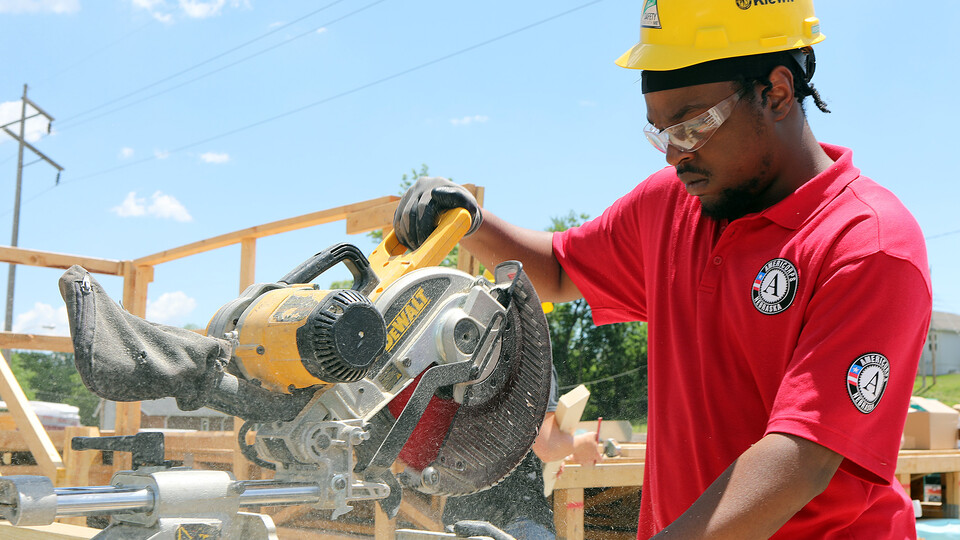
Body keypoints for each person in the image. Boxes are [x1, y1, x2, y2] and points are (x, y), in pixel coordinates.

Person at [392, 1, 932, 538]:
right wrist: (471, 219)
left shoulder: (867, 246)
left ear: (777, 92)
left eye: (693, 126)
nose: (674, 155)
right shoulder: (674, 205)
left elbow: (801, 458)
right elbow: (559, 270)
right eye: (659, 132)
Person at [441, 367, 603, 540]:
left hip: (459, 517)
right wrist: (581, 444)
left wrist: (541, 463)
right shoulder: (534, 354)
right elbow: (547, 445)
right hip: (516, 517)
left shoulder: (461, 356)